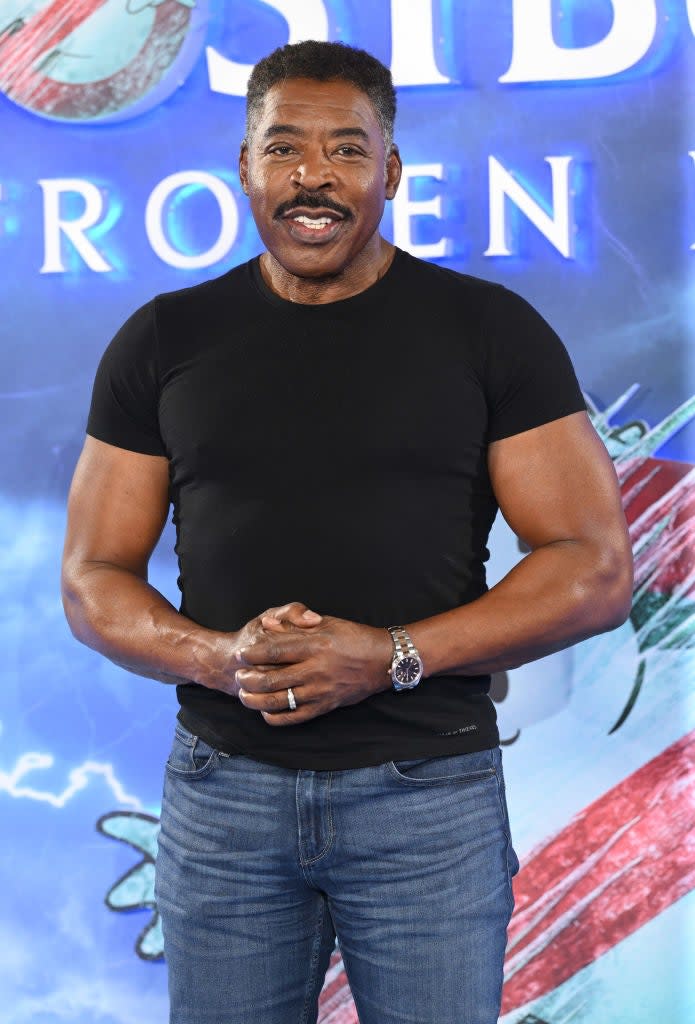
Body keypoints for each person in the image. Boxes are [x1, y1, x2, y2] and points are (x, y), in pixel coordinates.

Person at [61, 40, 633, 1024]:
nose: (311, 178)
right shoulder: (165, 340)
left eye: (345, 150)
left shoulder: (487, 332)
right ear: (242, 167)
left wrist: (388, 657)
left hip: (427, 798)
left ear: (391, 171)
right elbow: (92, 577)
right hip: (222, 798)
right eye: (282, 149)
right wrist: (219, 658)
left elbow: (592, 570)